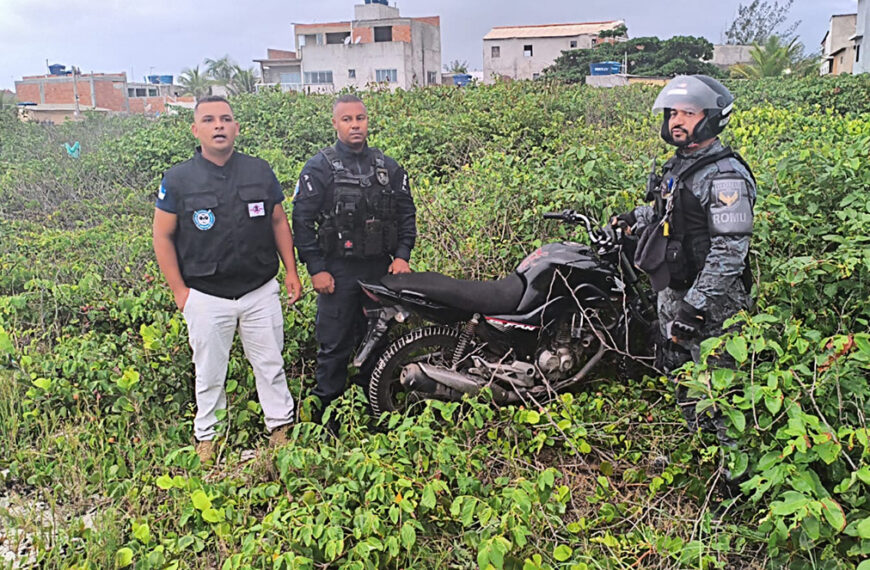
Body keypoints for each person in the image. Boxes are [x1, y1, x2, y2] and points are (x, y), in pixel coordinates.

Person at [152, 95, 303, 463]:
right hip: (205, 295)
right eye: (209, 120)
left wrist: (292, 272)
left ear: (236, 128)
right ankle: (209, 438)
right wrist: (180, 292)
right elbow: (162, 236)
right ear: (195, 129)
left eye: (225, 119)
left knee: (270, 364)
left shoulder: (259, 171)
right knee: (208, 372)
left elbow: (279, 222)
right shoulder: (178, 179)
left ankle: (280, 429)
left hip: (259, 290)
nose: (218, 125)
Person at [614, 75, 756, 441]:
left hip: (713, 307)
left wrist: (695, 307)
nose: (676, 121)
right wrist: (633, 218)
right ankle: (700, 452)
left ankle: (731, 481)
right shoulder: (680, 165)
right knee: (682, 383)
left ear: (710, 117)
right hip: (674, 293)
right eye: (673, 113)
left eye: (688, 113)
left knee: (720, 394)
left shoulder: (725, 176)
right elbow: (671, 214)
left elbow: (730, 252)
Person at [292, 94, 416, 423]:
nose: (355, 125)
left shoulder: (388, 167)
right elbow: (301, 222)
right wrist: (316, 269)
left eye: (360, 118)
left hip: (380, 270)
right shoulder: (318, 167)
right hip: (338, 272)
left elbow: (407, 215)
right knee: (333, 347)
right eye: (347, 120)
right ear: (335, 124)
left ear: (367, 121)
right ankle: (325, 424)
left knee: (378, 343)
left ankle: (374, 414)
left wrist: (402, 255)